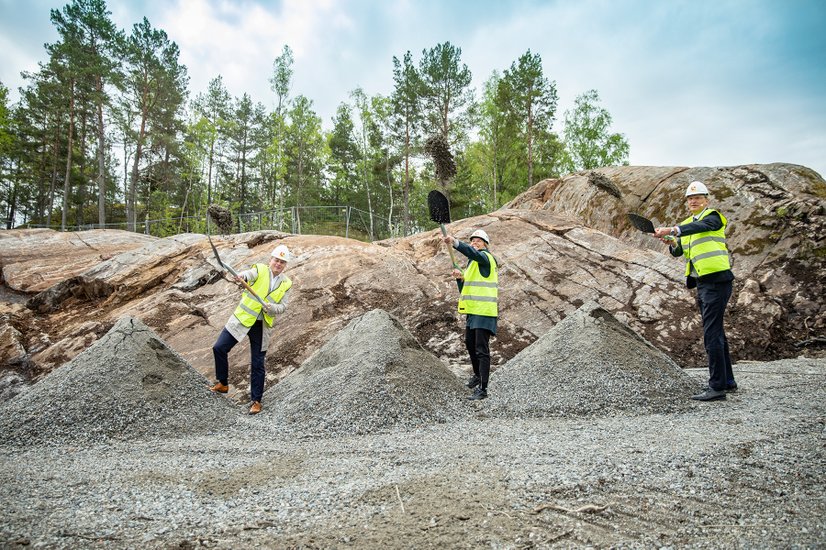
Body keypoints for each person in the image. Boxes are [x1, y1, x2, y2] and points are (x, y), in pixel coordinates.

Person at [653, 181, 736, 401]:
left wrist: (674, 229)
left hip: (717, 281)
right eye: (690, 198)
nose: (693, 201)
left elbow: (702, 227)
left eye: (698, 197)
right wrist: (671, 241)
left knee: (712, 334)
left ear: (706, 199)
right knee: (716, 331)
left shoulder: (713, 217)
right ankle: (727, 381)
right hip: (703, 283)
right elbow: (678, 251)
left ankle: (717, 387)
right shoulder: (687, 223)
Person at [210, 244, 293, 414]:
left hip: (262, 325)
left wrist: (272, 308)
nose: (278, 264)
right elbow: (249, 274)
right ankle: (223, 383)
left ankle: (256, 400)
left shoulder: (286, 283)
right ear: (271, 259)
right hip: (242, 318)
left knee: (257, 363)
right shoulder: (260, 269)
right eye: (277, 260)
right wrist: (241, 277)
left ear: (285, 265)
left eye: (282, 262)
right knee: (219, 348)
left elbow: (283, 306)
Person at [442, 229, 499, 400]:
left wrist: (455, 242)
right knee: (469, 343)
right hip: (473, 312)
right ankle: (477, 375)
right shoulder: (471, 264)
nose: (475, 242)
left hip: (484, 311)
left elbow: (472, 252)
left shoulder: (486, 258)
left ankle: (483, 389)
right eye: (473, 240)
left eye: (479, 241)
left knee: (482, 349)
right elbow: (464, 290)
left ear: (485, 245)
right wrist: (460, 279)